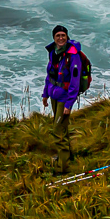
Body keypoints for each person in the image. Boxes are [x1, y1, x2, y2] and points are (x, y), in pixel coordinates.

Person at [42, 25, 83, 165]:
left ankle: (62, 166)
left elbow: (75, 82)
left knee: (58, 130)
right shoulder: (53, 52)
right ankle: (67, 157)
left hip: (64, 97)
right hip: (54, 94)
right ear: (54, 38)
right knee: (61, 128)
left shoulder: (73, 56)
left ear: (67, 37)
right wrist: (45, 94)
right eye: (57, 35)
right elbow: (50, 75)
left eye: (63, 35)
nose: (60, 38)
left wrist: (69, 104)